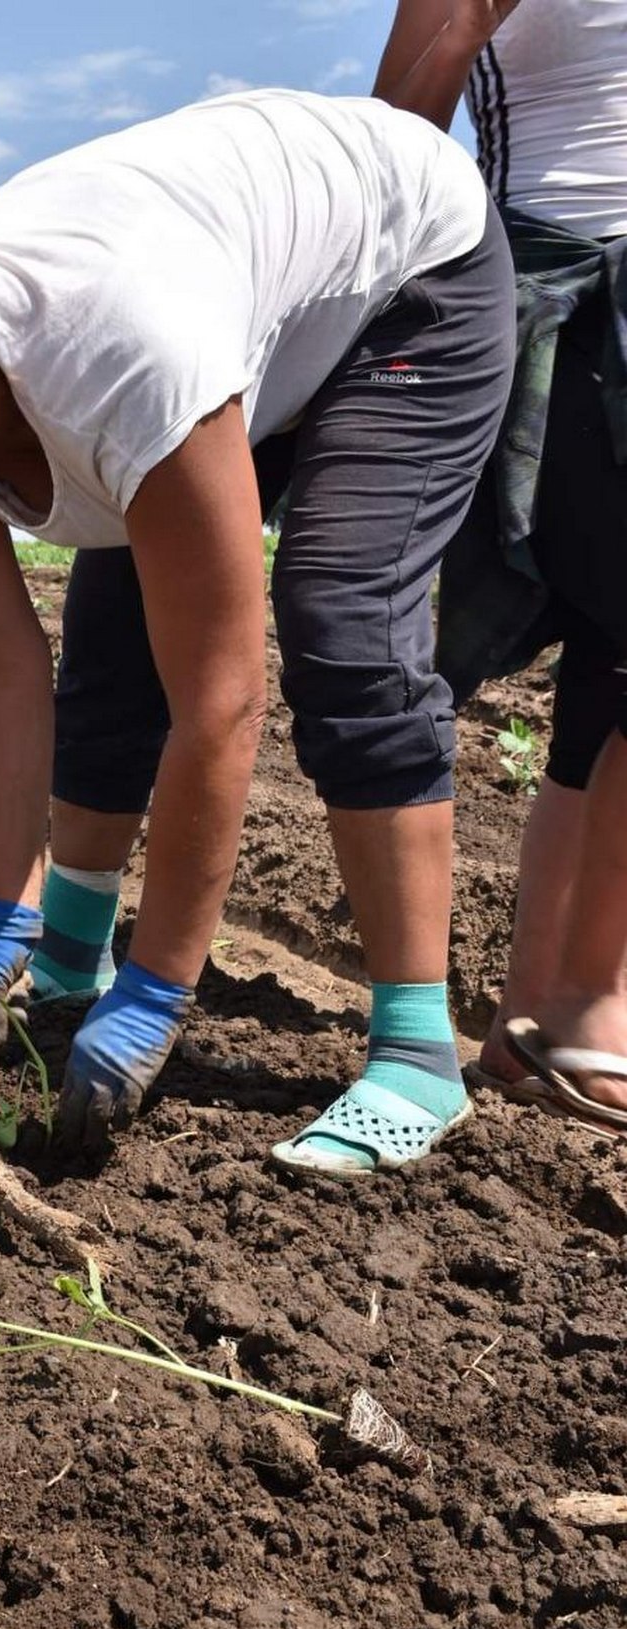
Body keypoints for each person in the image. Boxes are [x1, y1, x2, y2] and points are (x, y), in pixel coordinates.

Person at [0, 95, 515, 1169]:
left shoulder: (111, 352)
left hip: (405, 276)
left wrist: (159, 990)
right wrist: (7, 912)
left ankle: (416, 1051)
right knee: (111, 640)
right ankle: (67, 946)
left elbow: (220, 705)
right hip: (238, 299)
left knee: (341, 614)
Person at [374, 0, 627, 1138]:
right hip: (569, 291)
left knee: (608, 669)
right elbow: (395, 133)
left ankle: (552, 1008)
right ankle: (582, 1006)